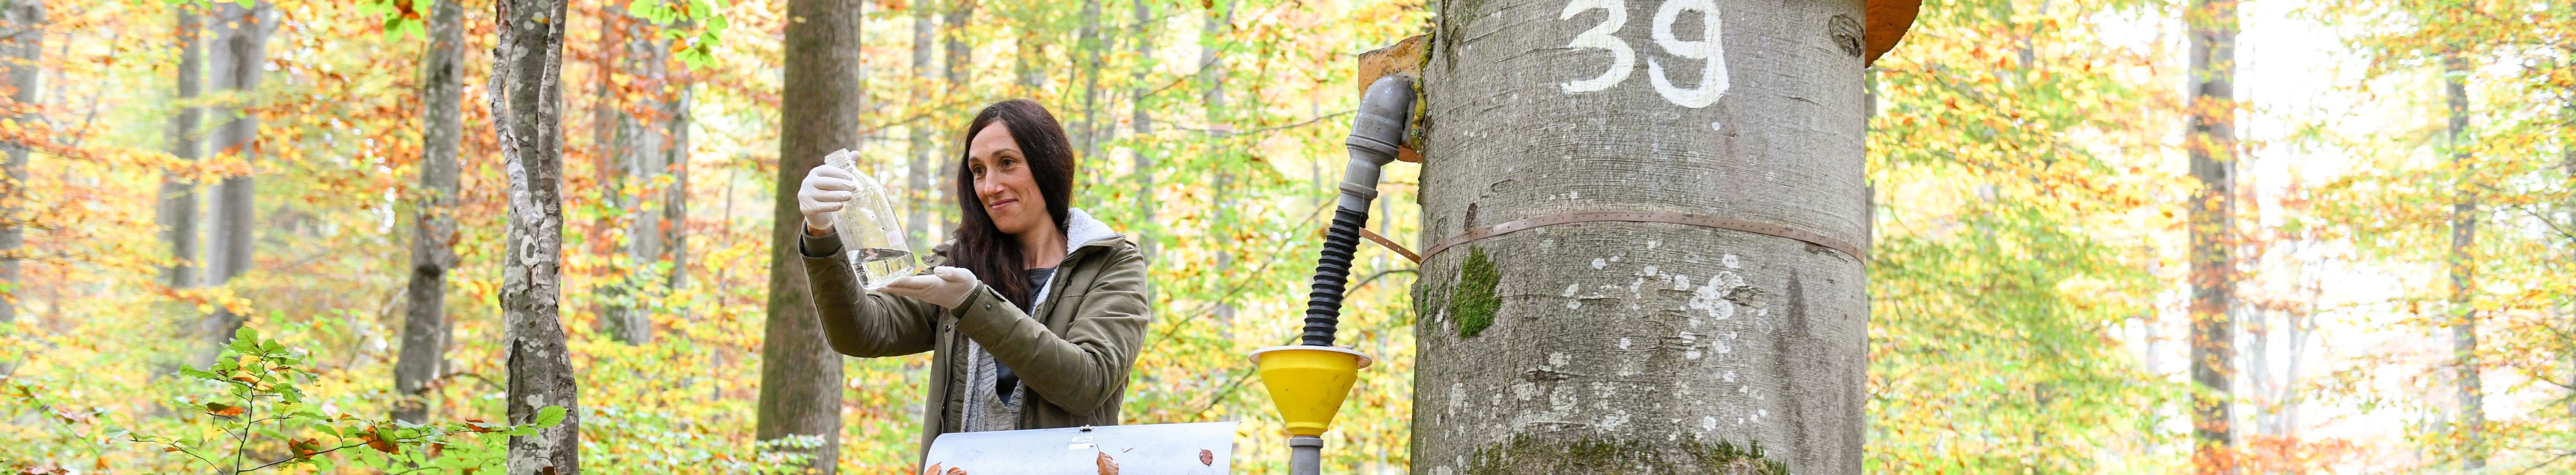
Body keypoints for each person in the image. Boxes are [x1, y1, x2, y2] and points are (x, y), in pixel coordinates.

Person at [792, 99, 1151, 455]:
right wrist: (821, 231)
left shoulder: (1110, 263)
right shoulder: (961, 261)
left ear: (1048, 165)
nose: (990, 186)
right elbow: (862, 333)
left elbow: (1086, 384)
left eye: (1007, 163)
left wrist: (973, 303)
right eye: (978, 170)